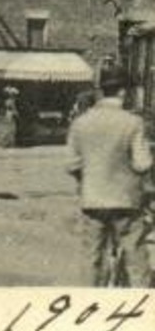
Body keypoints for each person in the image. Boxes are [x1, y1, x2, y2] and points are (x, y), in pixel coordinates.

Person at [64, 66, 152, 286]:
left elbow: (71, 164)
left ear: (102, 91)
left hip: (92, 202)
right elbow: (142, 164)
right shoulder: (133, 123)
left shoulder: (81, 123)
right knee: (136, 260)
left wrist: (88, 179)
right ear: (123, 92)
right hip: (126, 203)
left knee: (91, 259)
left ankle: (89, 308)